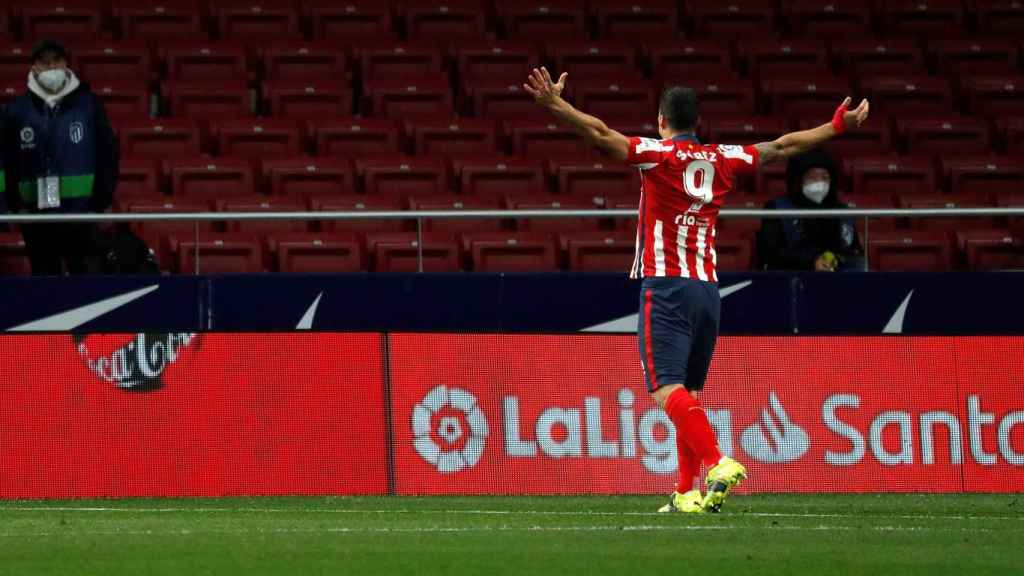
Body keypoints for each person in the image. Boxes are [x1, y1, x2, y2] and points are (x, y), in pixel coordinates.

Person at [523, 67, 869, 513]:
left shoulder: (656, 154)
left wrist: (556, 106)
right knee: (689, 392)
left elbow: (602, 133)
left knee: (665, 390)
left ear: (662, 121)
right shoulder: (724, 157)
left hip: (666, 285)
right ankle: (686, 492)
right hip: (708, 292)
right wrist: (837, 126)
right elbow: (783, 146)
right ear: (696, 123)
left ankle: (718, 462)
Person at [2, 39, 119, 275]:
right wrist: (15, 207)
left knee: (84, 283)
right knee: (45, 283)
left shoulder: (89, 105)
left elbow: (108, 155)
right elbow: (5, 161)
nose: (51, 68)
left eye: (56, 61)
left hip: (81, 215)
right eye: (44, 63)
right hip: (36, 217)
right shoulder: (16, 110)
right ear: (34, 67)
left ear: (66, 64)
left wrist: (101, 202)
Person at [757, 149, 866, 271]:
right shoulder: (777, 209)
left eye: (825, 178)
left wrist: (836, 260)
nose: (819, 183)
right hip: (790, 280)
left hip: (838, 280)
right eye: (812, 177)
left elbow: (854, 253)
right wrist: (811, 261)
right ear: (798, 181)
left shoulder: (841, 212)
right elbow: (772, 253)